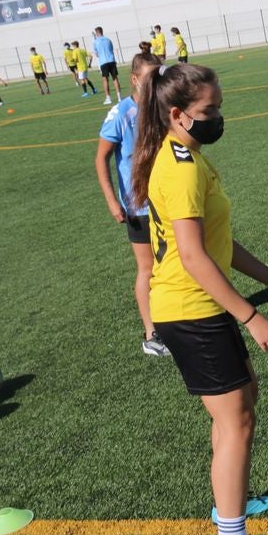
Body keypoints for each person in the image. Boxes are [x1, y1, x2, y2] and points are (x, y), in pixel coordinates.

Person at [130, 62, 268, 535]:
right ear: (178, 114)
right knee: (237, 422)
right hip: (190, 310)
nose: (219, 117)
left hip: (198, 306)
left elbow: (218, 243)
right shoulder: (181, 167)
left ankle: (230, 502)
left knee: (240, 406)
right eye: (210, 110)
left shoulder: (186, 155)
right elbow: (193, 257)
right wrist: (251, 314)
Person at [95, 51, 170, 358]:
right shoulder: (120, 114)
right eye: (151, 78)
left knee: (175, 261)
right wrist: (113, 200)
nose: (156, 83)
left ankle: (178, 321)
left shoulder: (162, 108)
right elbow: (100, 159)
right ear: (135, 79)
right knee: (148, 268)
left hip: (166, 200)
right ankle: (152, 334)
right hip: (138, 206)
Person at [92, 26, 122, 104]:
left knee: (105, 80)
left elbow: (97, 54)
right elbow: (111, 50)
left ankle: (108, 98)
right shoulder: (108, 40)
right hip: (111, 60)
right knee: (115, 78)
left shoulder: (95, 41)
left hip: (103, 62)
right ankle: (119, 97)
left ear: (97, 33)